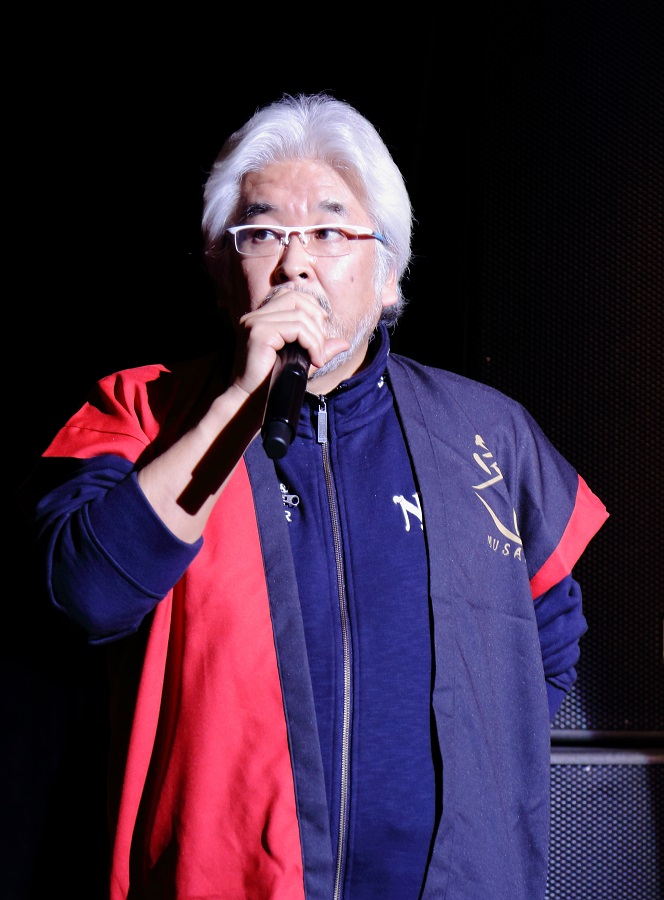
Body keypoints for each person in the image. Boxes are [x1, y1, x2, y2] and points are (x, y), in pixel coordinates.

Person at [19, 92, 608, 900]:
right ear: (224, 273)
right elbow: (82, 595)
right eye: (263, 233)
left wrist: (484, 777)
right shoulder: (141, 410)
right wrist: (238, 405)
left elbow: (549, 636)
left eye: (331, 231)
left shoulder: (488, 434)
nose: (296, 264)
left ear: (388, 274)